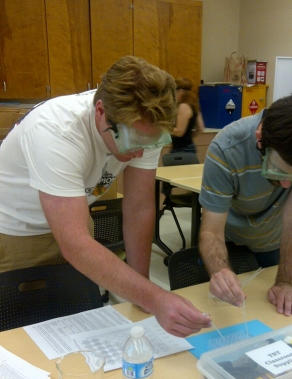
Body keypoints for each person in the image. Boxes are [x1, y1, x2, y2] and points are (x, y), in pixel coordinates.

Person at [0, 55, 211, 338]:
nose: (139, 152)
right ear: (100, 112)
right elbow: (75, 245)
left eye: (152, 143)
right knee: (21, 332)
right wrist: (155, 297)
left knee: (77, 323)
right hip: (16, 231)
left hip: (73, 220)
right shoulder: (55, 130)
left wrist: (142, 290)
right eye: (133, 142)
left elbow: (138, 208)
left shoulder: (143, 124)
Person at [198, 93, 292, 317]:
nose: (285, 184)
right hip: (228, 241)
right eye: (279, 170)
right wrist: (220, 270)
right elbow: (211, 229)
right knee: (224, 308)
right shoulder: (226, 148)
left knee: (273, 315)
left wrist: (286, 281)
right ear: (260, 138)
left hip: (274, 241)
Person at [170, 77, 204, 154]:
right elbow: (201, 128)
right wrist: (188, 138)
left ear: (181, 91)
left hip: (181, 150)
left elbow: (179, 132)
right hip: (189, 148)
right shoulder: (194, 104)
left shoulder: (183, 107)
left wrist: (163, 128)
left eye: (174, 91)